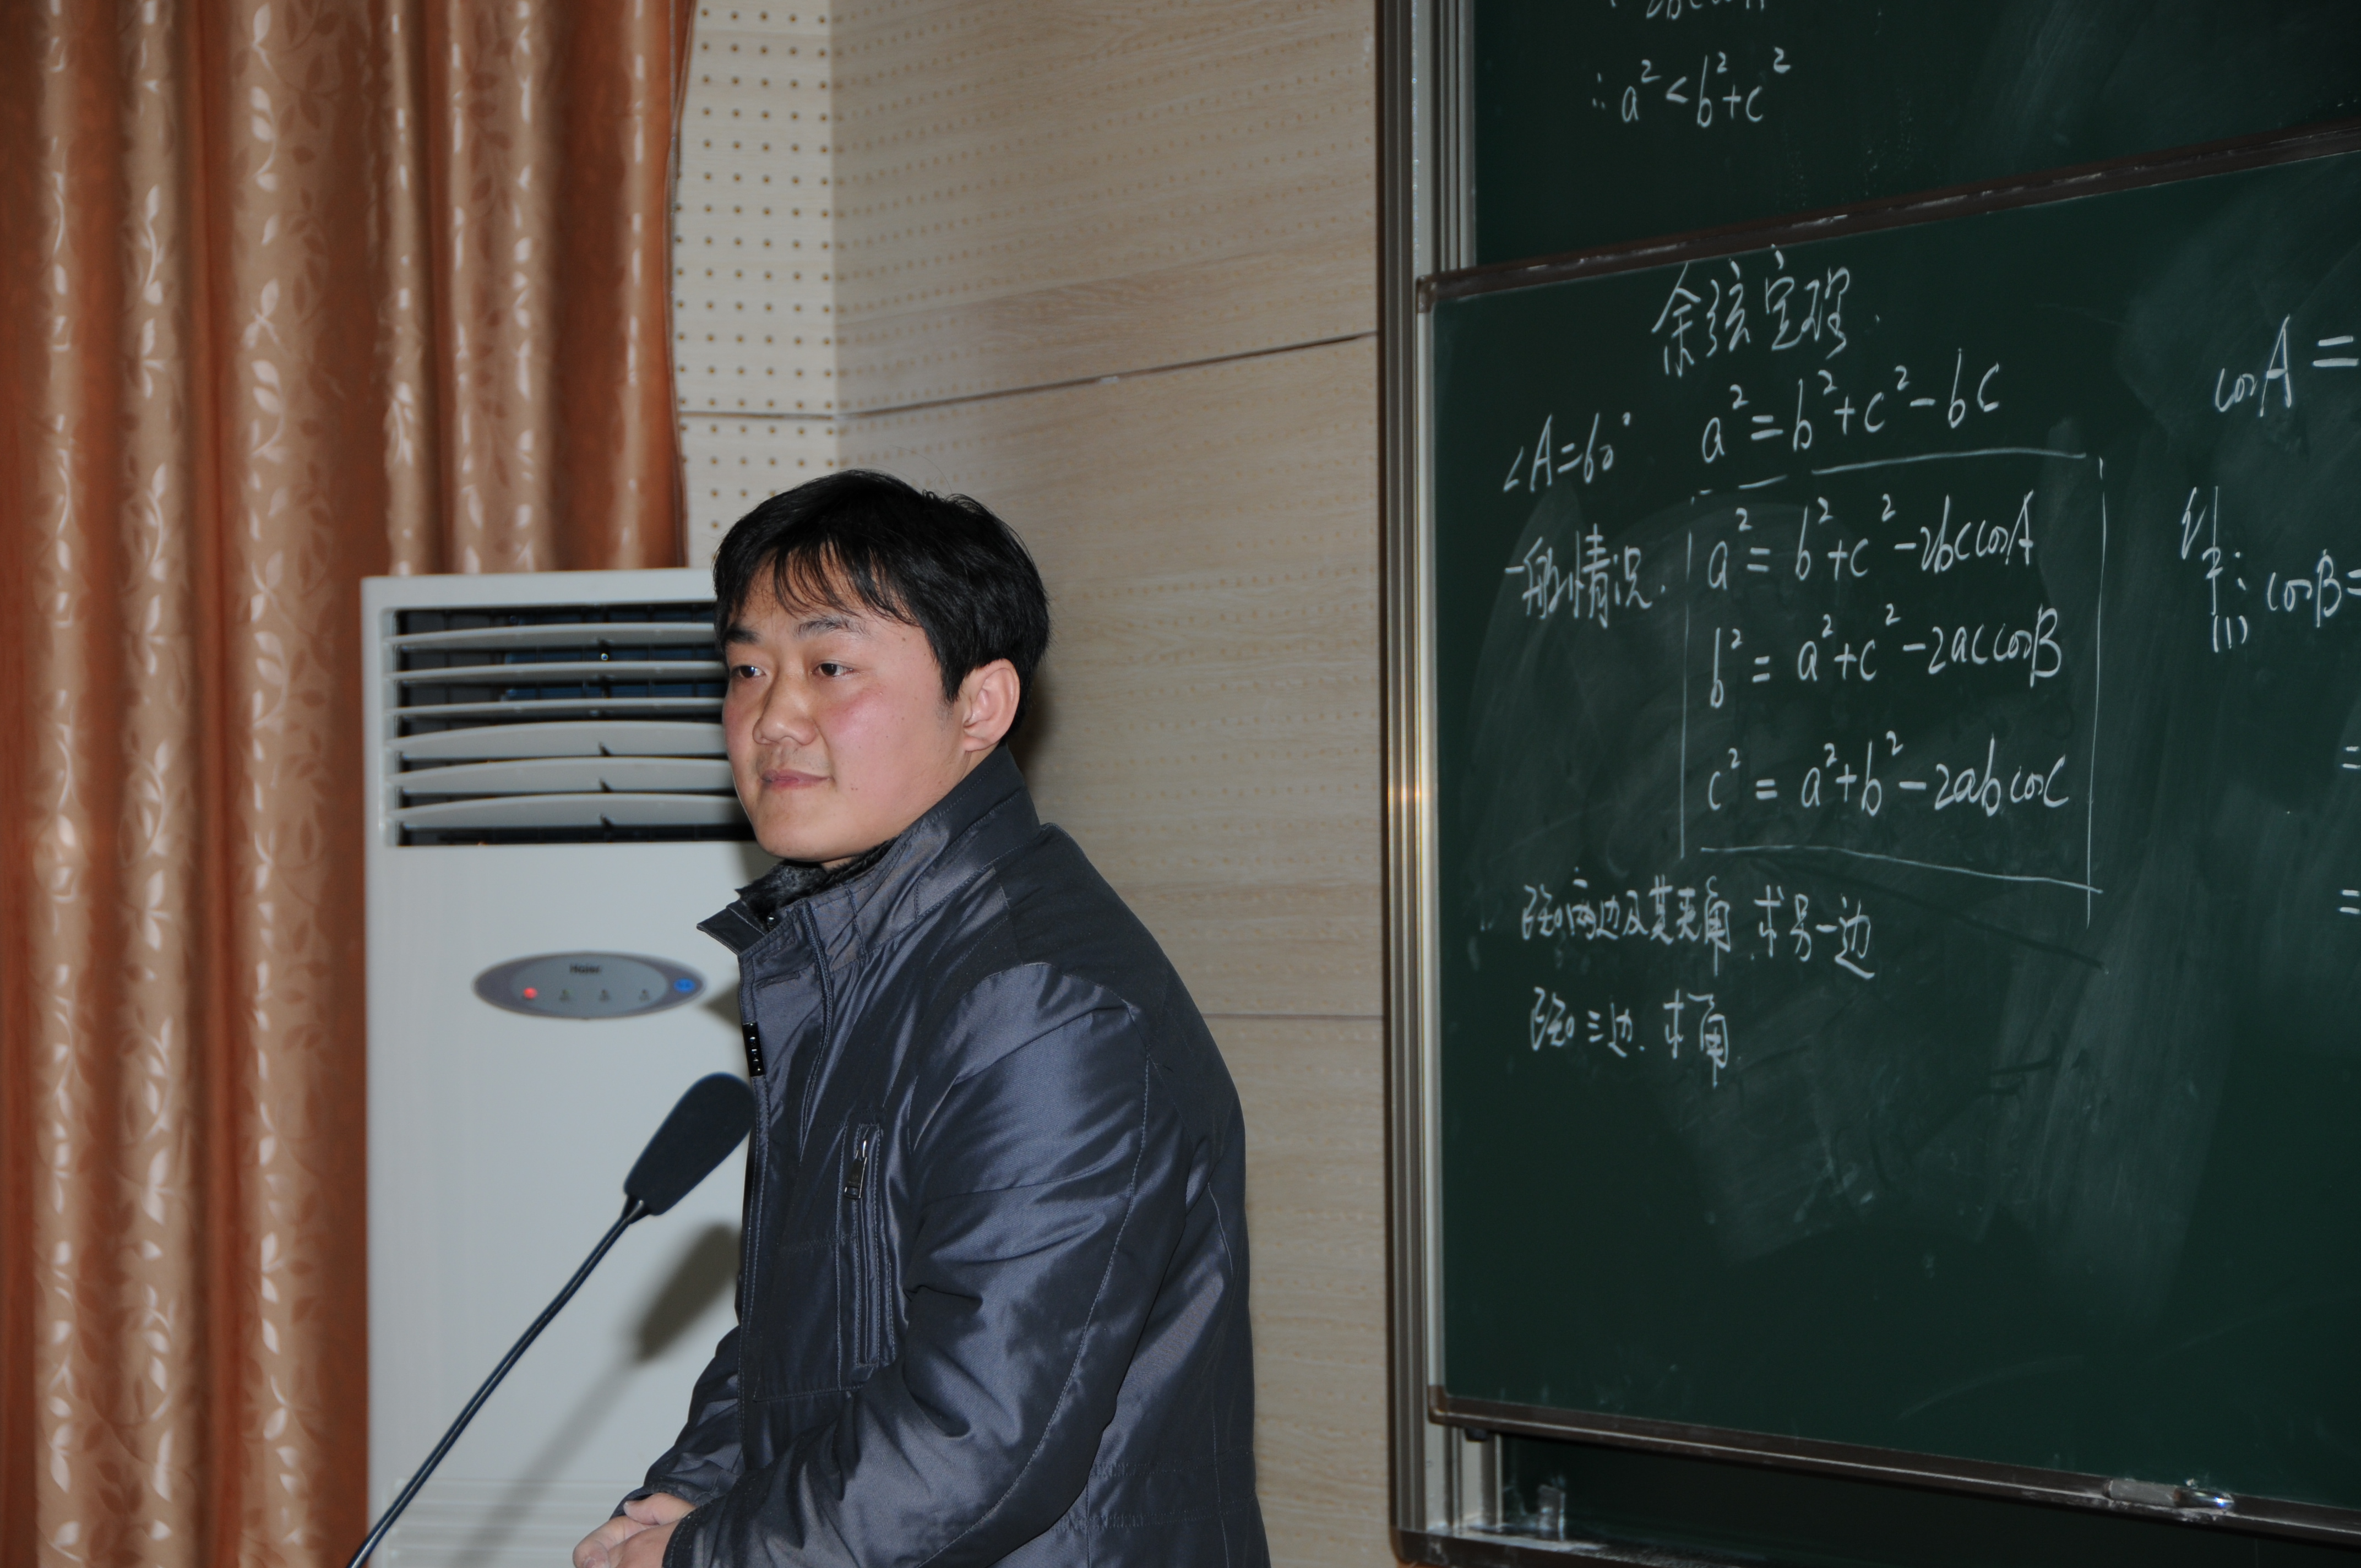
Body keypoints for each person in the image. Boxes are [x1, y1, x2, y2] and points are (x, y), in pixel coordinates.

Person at [572, 471, 1267, 1568]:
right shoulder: (855, 964)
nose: (772, 716)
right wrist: (692, 1492)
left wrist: (706, 1555)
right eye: (747, 669)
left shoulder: (1042, 1005)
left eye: (829, 666)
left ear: (979, 706)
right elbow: (802, 1334)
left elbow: (978, 1432)